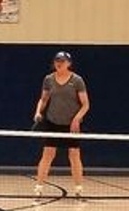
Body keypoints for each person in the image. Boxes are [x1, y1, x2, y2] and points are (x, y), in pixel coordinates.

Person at [33, 50, 89, 199]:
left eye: (62, 61)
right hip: (52, 122)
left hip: (71, 125)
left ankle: (78, 189)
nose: (59, 63)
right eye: (57, 60)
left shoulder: (77, 80)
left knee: (74, 154)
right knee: (48, 154)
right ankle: (38, 187)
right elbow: (43, 100)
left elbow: (85, 105)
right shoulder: (49, 80)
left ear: (69, 64)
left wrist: (77, 119)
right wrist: (38, 112)